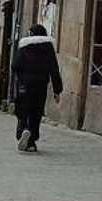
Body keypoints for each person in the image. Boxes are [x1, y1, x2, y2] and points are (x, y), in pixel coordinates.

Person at [12, 22, 65, 152]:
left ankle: (23, 130)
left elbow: (15, 65)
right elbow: (54, 69)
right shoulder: (47, 47)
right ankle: (31, 142)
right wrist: (57, 90)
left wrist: (21, 76)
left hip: (25, 84)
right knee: (36, 112)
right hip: (41, 84)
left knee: (23, 109)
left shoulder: (25, 46)